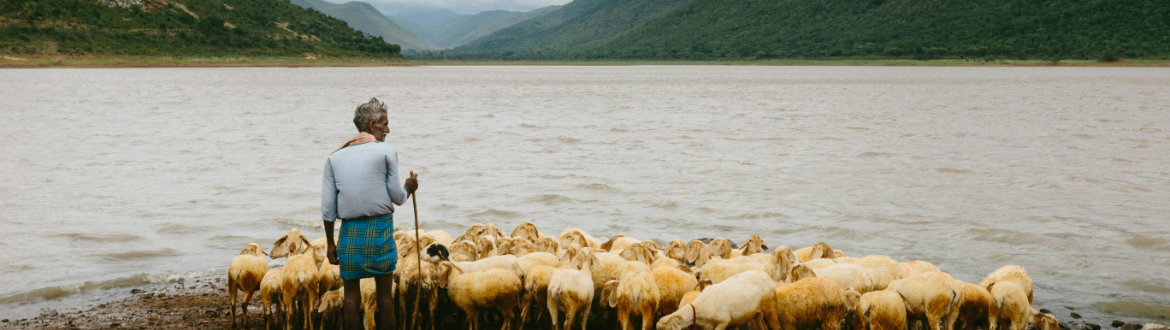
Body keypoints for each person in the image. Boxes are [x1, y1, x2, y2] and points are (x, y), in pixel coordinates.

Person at [321, 97, 418, 330]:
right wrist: (409, 188)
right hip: (379, 231)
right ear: (373, 126)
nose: (388, 129)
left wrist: (330, 244)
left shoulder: (334, 157)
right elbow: (398, 196)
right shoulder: (386, 151)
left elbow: (328, 208)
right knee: (385, 299)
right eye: (384, 124)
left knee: (351, 298)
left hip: (350, 233)